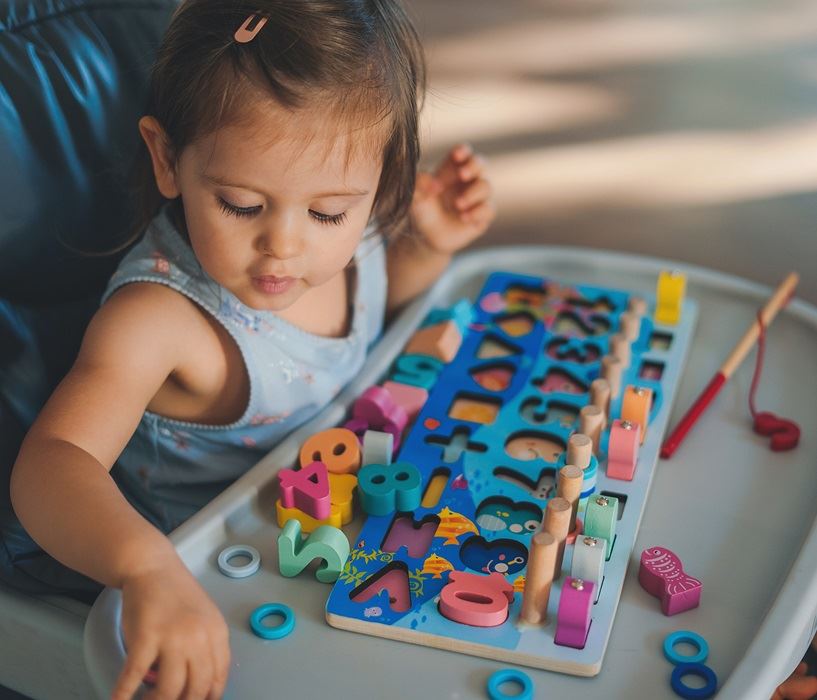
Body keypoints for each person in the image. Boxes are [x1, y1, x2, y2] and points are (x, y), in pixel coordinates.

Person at [8, 2, 494, 698]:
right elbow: (52, 464)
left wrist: (430, 248)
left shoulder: (354, 240)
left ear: (381, 181)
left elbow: (371, 320)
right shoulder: (159, 319)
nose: (285, 245)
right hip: (220, 595)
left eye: (327, 212)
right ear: (167, 158)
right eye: (240, 203)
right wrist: (145, 569)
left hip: (350, 539)